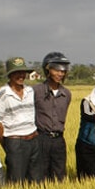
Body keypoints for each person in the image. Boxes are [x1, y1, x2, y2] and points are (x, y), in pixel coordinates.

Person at [0, 57, 41, 183]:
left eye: (23, 72)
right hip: (15, 142)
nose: (21, 75)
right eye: (16, 72)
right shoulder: (2, 94)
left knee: (36, 180)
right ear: (10, 75)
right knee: (16, 181)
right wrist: (8, 145)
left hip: (34, 139)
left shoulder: (30, 91)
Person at [33, 51, 72, 181]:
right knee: (40, 175)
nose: (60, 74)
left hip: (59, 140)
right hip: (41, 139)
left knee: (59, 175)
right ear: (47, 70)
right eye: (56, 70)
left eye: (63, 71)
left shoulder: (66, 94)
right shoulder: (36, 91)